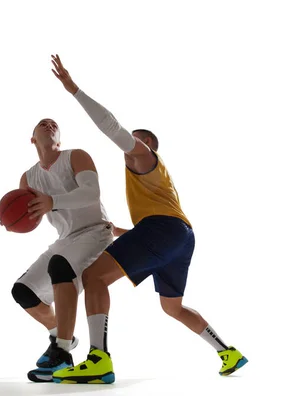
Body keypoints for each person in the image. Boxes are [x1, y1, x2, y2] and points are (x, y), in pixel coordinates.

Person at [43, 55, 248, 384]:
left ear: (148, 143)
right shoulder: (149, 177)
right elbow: (158, 221)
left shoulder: (144, 155)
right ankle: (228, 352)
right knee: (173, 307)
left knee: (94, 277)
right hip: (179, 235)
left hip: (163, 230)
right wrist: (121, 231)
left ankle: (98, 359)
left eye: (135, 137)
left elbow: (112, 128)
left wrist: (74, 90)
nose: (128, 142)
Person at [5, 117, 114, 382]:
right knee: (23, 291)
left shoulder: (76, 156)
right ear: (32, 139)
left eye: (54, 125)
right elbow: (28, 217)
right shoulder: (28, 178)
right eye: (42, 124)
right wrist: (10, 221)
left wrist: (52, 201)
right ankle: (60, 335)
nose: (49, 124)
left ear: (59, 140)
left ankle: (62, 353)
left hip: (96, 231)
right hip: (66, 238)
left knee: (60, 266)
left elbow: (91, 193)